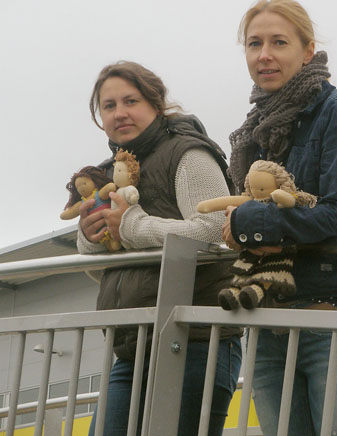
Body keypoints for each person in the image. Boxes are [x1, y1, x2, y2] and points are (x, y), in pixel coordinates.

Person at [222, 0, 337, 436]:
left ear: (308, 51)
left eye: (278, 42)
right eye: (254, 44)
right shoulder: (255, 129)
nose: (264, 54)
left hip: (333, 320)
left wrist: (249, 226)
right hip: (268, 324)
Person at [76, 61, 242, 436]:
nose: (119, 113)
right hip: (132, 349)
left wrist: (132, 225)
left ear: (156, 103)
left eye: (130, 101)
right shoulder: (106, 173)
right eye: (108, 105)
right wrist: (90, 237)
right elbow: (109, 266)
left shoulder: (189, 153)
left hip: (196, 341)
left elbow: (215, 230)